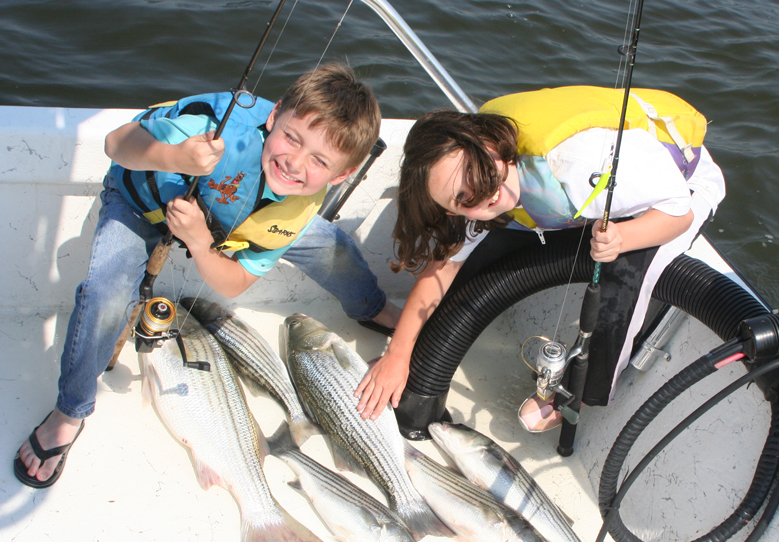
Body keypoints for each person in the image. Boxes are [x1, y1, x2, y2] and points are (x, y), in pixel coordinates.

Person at [15, 63, 400, 487]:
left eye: (319, 161)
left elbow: (233, 283)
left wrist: (199, 242)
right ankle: (69, 411)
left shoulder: (299, 205)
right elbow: (116, 142)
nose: (294, 162)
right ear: (273, 117)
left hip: (218, 232)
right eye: (291, 137)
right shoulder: (218, 123)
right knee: (105, 291)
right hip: (143, 200)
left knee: (334, 247)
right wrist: (176, 156)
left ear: (341, 175)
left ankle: (373, 307)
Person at [354, 85, 725, 427]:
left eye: (474, 170)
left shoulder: (575, 163)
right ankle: (420, 353)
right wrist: (398, 356)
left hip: (677, 193)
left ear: (485, 140)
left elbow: (679, 211)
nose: (482, 191)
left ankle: (576, 397)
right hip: (584, 200)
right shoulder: (488, 193)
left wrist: (625, 236)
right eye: (462, 198)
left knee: (628, 272)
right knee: (475, 256)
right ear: (454, 211)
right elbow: (443, 268)